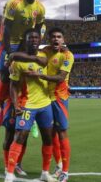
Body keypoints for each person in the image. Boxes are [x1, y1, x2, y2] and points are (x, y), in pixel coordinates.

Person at [0, 0, 45, 176]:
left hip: (25, 42)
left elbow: (39, 28)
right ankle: (2, 108)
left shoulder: (40, 8)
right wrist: (8, 52)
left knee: (25, 75)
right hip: (8, 42)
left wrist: (34, 47)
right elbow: (6, 30)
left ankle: (26, 105)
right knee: (5, 74)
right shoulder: (14, 3)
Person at [4, 29, 55, 182]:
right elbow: (13, 85)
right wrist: (15, 104)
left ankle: (45, 172)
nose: (33, 40)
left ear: (40, 40)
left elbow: (44, 61)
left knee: (48, 139)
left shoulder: (44, 56)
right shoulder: (17, 62)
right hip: (27, 105)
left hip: (45, 104)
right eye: (30, 38)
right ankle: (10, 173)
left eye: (36, 37)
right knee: (20, 136)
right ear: (25, 40)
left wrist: (13, 54)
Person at [25, 27, 74, 182]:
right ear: (49, 39)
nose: (56, 39)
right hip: (45, 97)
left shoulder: (67, 55)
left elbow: (60, 78)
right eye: (53, 37)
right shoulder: (45, 50)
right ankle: (59, 166)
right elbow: (32, 49)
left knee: (62, 133)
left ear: (63, 39)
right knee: (50, 135)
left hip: (59, 98)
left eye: (59, 37)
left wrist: (40, 75)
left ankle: (65, 171)